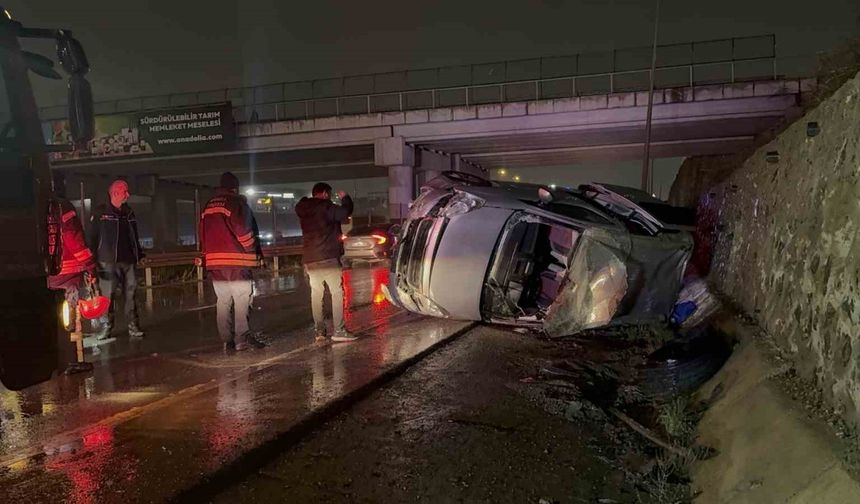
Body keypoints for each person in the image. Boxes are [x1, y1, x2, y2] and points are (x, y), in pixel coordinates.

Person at [200, 172, 266, 352]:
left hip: (215, 263)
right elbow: (244, 232)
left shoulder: (209, 206)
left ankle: (226, 340)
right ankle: (241, 339)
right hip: (236, 262)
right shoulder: (236, 203)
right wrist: (252, 250)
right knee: (242, 300)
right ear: (235, 188)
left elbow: (203, 234)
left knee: (222, 301)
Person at [47, 171, 98, 371]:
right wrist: (90, 265)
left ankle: (53, 361)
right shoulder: (63, 207)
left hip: (47, 275)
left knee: (52, 318)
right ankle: (71, 361)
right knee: (70, 319)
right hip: (67, 274)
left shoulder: (36, 207)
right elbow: (73, 238)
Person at [295, 182, 356, 343]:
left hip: (310, 259)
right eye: (328, 194)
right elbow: (345, 212)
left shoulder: (303, 209)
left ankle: (319, 332)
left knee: (316, 295)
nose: (329, 196)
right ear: (323, 194)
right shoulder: (326, 207)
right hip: (328, 257)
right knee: (336, 293)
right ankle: (339, 330)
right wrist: (346, 198)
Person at [90, 179, 146, 340]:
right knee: (107, 296)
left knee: (131, 294)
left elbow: (134, 236)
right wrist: (91, 260)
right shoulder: (101, 213)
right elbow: (92, 238)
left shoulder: (129, 213)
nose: (128, 195)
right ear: (115, 193)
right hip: (107, 262)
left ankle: (133, 326)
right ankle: (106, 327)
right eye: (124, 191)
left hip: (128, 262)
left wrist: (139, 255)